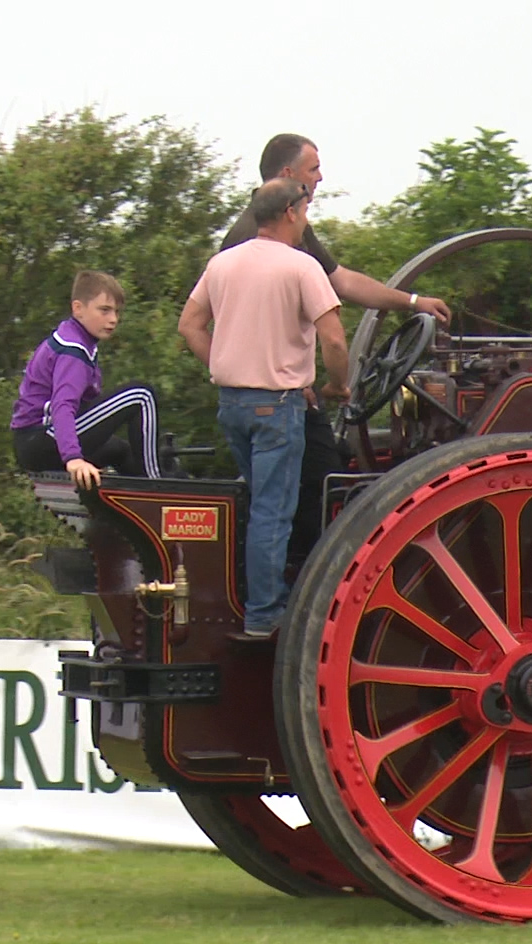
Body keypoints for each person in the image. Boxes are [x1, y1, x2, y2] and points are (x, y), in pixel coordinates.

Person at [221, 133, 452, 561]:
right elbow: (329, 333)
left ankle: (298, 578)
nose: (320, 177)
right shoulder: (265, 239)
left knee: (306, 487)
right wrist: (310, 383)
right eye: (313, 169)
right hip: (279, 400)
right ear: (289, 176)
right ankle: (316, 582)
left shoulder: (280, 230)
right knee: (317, 489)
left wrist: (413, 301)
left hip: (269, 395)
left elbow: (341, 280)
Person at [178, 179, 349, 640]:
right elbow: (334, 339)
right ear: (291, 212)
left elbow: (190, 325)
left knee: (260, 506)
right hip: (277, 408)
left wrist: (226, 363)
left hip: (232, 405)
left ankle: (266, 596)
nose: (306, 218)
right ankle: (265, 614)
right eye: (305, 210)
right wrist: (337, 384)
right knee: (273, 513)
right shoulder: (302, 266)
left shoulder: (222, 264)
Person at [10, 271, 162, 488]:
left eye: (117, 312)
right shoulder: (73, 350)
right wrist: (73, 458)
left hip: (32, 442)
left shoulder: (77, 339)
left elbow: (90, 403)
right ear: (78, 308)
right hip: (41, 439)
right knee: (141, 395)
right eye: (104, 310)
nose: (113, 319)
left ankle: (140, 492)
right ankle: (157, 485)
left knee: (119, 450)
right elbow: (63, 405)